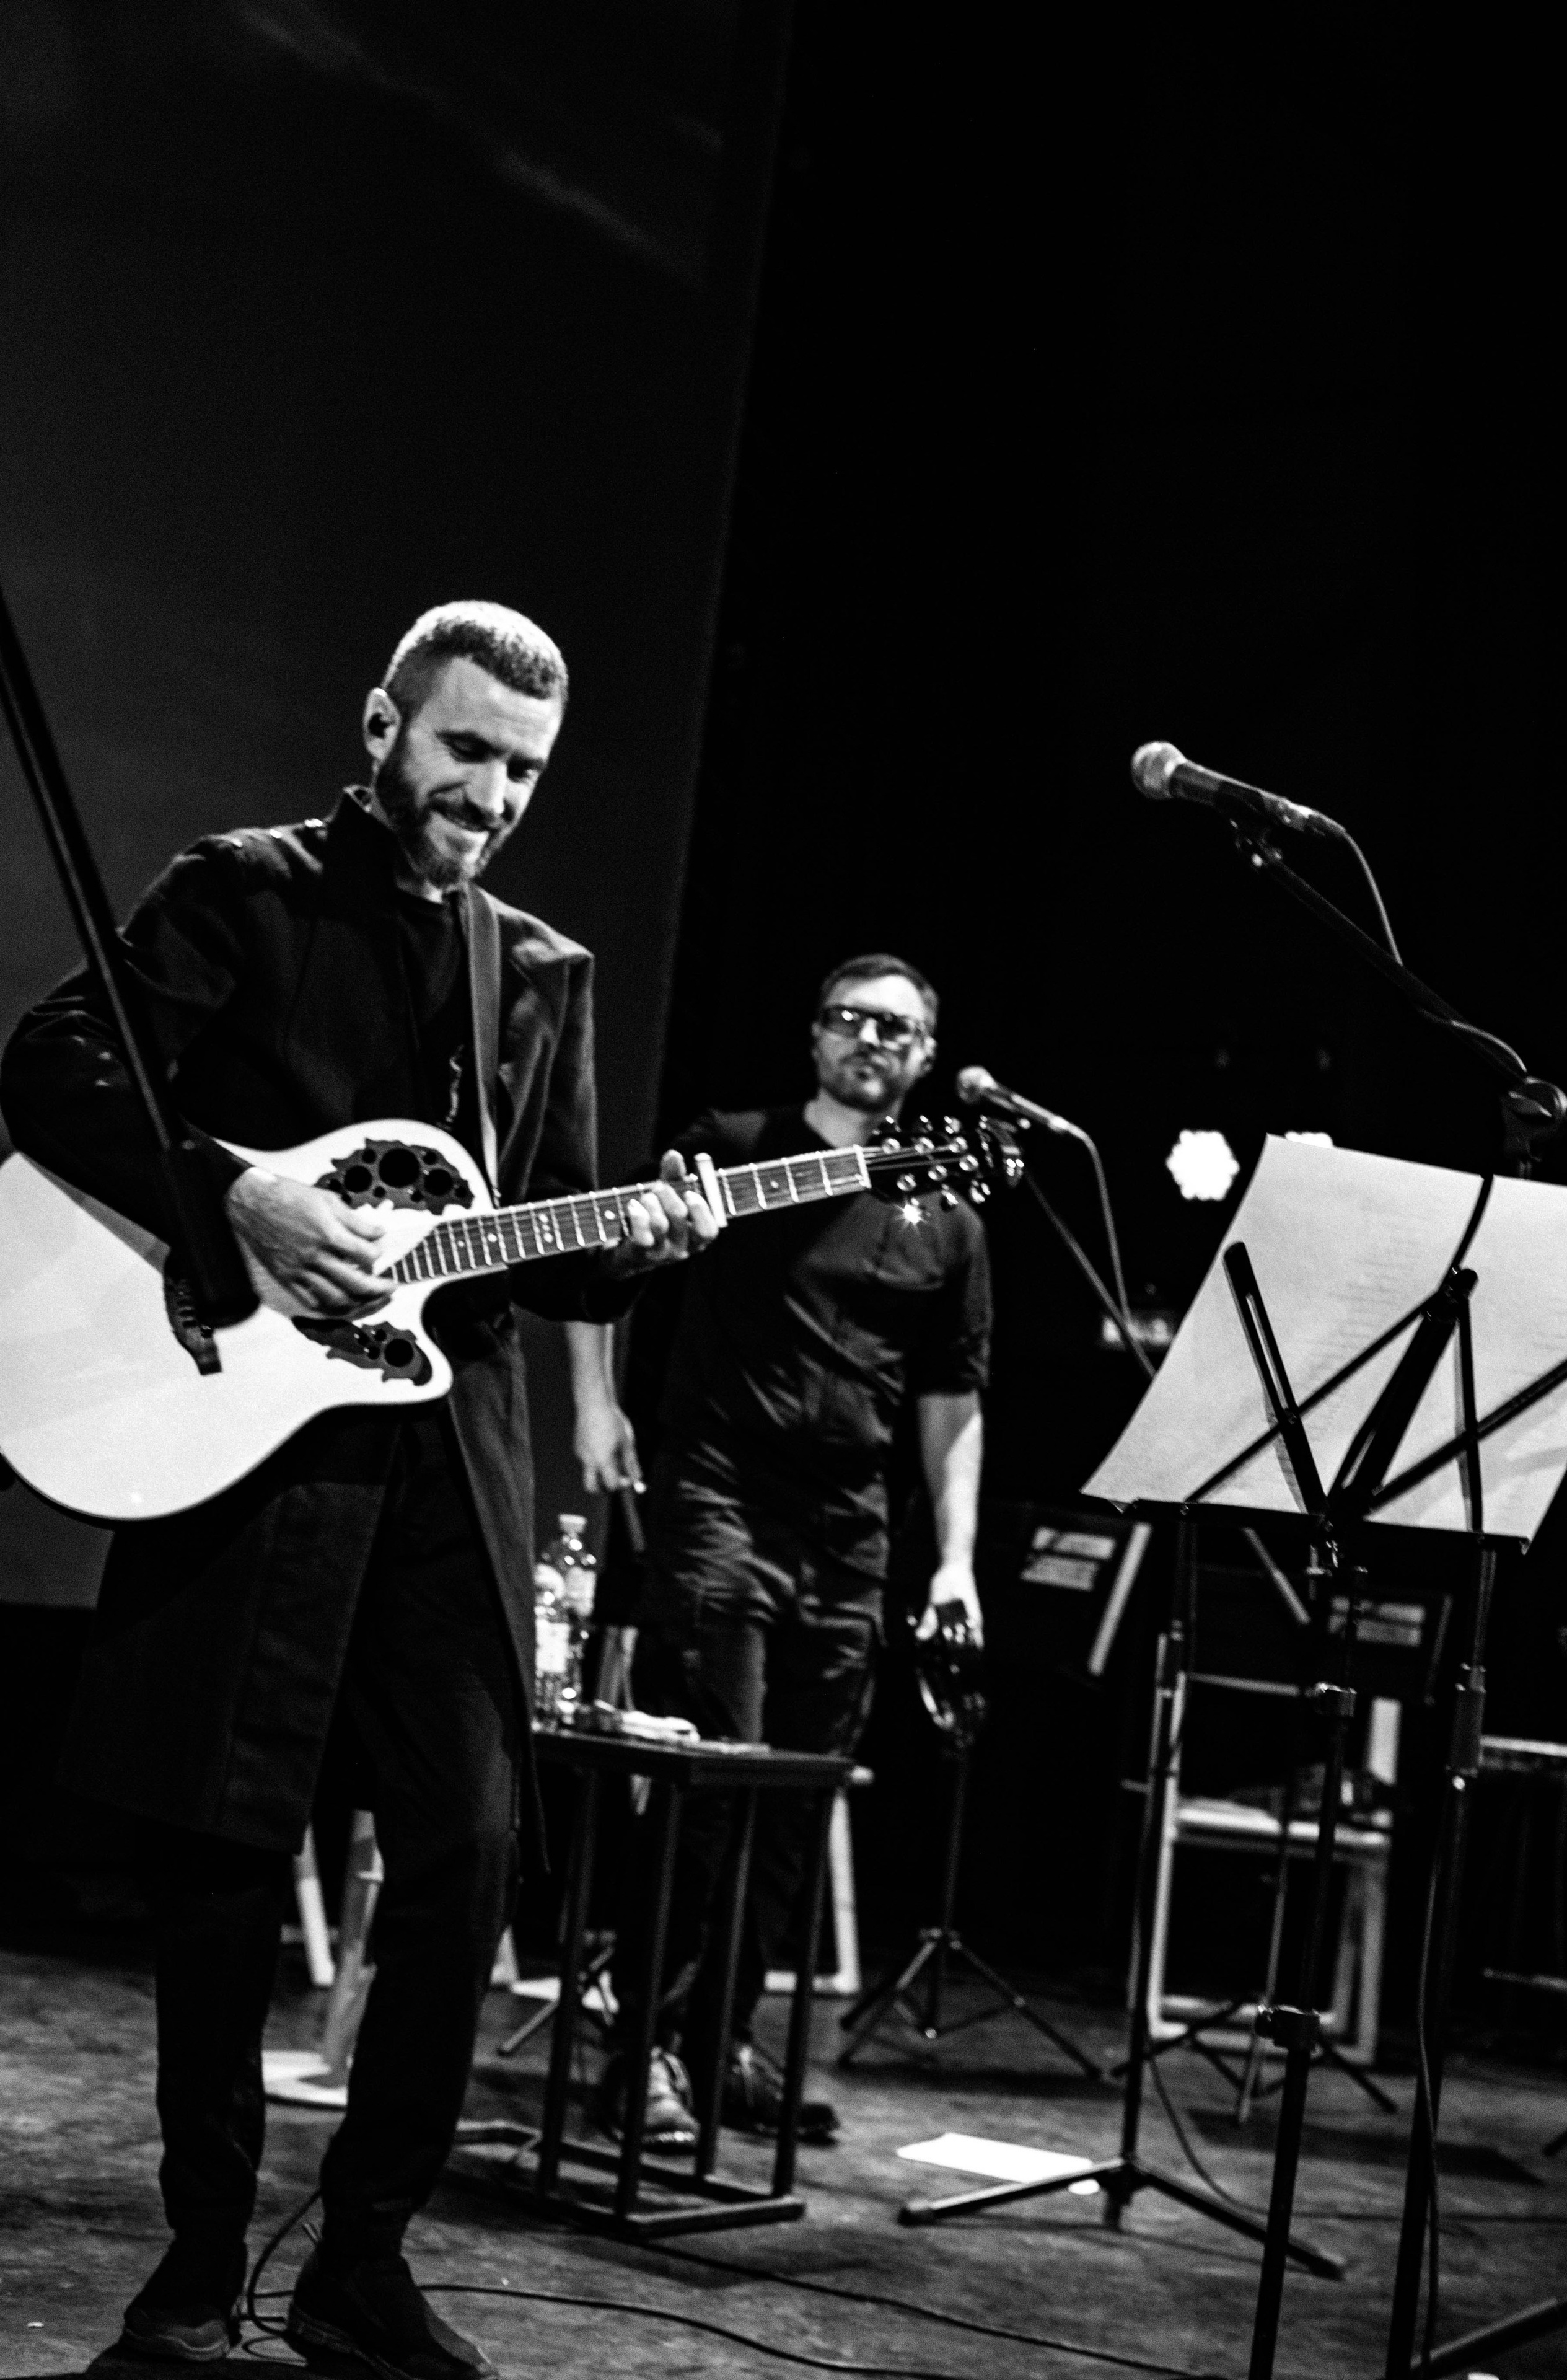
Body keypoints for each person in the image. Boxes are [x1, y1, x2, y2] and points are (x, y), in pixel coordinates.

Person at [0, 601, 717, 2379]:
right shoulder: (239, 890)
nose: (493, 793)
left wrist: (646, 1240)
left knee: (472, 1847)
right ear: (387, 719)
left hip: (442, 1464)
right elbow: (49, 1065)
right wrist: (233, 1186)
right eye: (467, 751)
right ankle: (194, 2268)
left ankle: (363, 2262)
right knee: (221, 1868)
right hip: (244, 1434)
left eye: (526, 772)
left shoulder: (540, 972)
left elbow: (549, 1238)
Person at [575, 953, 991, 2151]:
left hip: (851, 1536)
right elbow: (610, 1263)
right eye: (853, 1020)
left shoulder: (946, 1205)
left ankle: (722, 2050)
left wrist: (955, 1563)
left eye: (900, 1030)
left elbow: (953, 1400)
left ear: (924, 1057)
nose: (873, 1041)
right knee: (712, 1791)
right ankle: (640, 2050)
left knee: (796, 1810)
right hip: (719, 1501)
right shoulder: (737, 1145)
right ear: (815, 1036)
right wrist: (595, 1408)